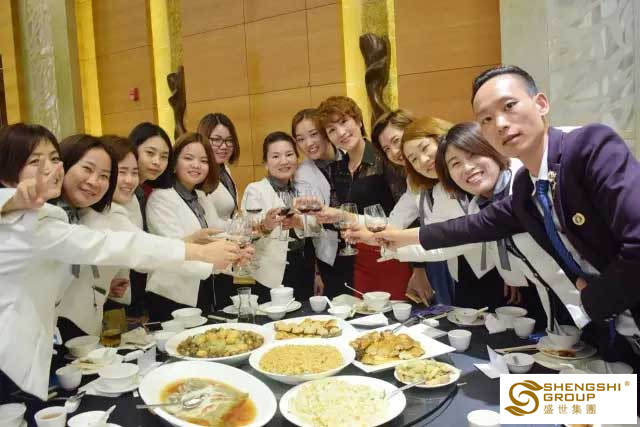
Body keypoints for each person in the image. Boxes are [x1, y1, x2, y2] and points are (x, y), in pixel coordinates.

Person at [378, 65, 640, 369]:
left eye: (509, 106)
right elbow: (467, 228)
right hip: (613, 332)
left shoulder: (588, 146)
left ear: (541, 104)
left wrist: (596, 301)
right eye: (486, 119)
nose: (500, 124)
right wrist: (393, 238)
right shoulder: (526, 187)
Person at [0, 123, 243, 401]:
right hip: (12, 354)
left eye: (54, 160)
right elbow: (116, 245)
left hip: (45, 344)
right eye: (35, 161)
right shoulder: (30, 218)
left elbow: (127, 245)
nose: (50, 169)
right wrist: (202, 254)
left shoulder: (76, 213)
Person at [344, 116, 513, 311]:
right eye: (413, 158)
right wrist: (347, 220)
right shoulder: (428, 184)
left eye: (397, 141)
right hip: (466, 266)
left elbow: (458, 236)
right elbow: (431, 232)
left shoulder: (486, 179)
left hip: (493, 268)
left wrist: (387, 242)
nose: (395, 152)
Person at [314, 96, 412, 301]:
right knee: (366, 314)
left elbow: (412, 213)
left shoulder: (385, 158)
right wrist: (316, 213)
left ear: (358, 121)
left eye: (344, 121)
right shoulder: (338, 169)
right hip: (359, 258)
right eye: (332, 130)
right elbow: (338, 218)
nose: (341, 132)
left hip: (396, 253)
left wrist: (419, 268)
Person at [371, 109, 453, 305]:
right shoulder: (415, 180)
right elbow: (396, 219)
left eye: (395, 141)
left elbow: (453, 231)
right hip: (441, 256)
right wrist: (368, 232)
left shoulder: (451, 170)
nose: (394, 152)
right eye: (386, 149)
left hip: (460, 255)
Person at [145, 132, 229, 320]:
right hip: (171, 293)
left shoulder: (201, 197)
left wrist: (246, 234)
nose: (196, 165)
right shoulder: (160, 198)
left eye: (204, 161)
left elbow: (218, 231)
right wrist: (215, 261)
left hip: (200, 286)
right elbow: (172, 249)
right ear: (174, 163)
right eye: (189, 158)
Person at [242, 131, 316, 303]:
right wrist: (266, 225)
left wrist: (300, 222)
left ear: (297, 158)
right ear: (266, 163)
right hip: (271, 273)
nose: (284, 161)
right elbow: (248, 232)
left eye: (289, 154)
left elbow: (317, 226)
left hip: (304, 265)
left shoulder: (302, 188)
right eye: (275, 156)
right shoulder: (255, 190)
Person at [292, 108, 348, 298]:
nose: (308, 143)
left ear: (325, 131)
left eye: (313, 134)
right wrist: (316, 273)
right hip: (330, 256)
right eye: (300, 139)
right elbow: (309, 227)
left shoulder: (349, 157)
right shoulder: (302, 174)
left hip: (364, 248)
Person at [127, 122, 174, 315]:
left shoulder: (149, 191)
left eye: (164, 157)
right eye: (150, 153)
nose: (157, 162)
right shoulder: (123, 191)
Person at [197, 113, 241, 309]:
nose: (224, 146)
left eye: (229, 140)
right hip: (211, 255)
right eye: (216, 140)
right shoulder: (201, 175)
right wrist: (242, 229)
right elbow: (210, 224)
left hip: (228, 253)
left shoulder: (224, 170)